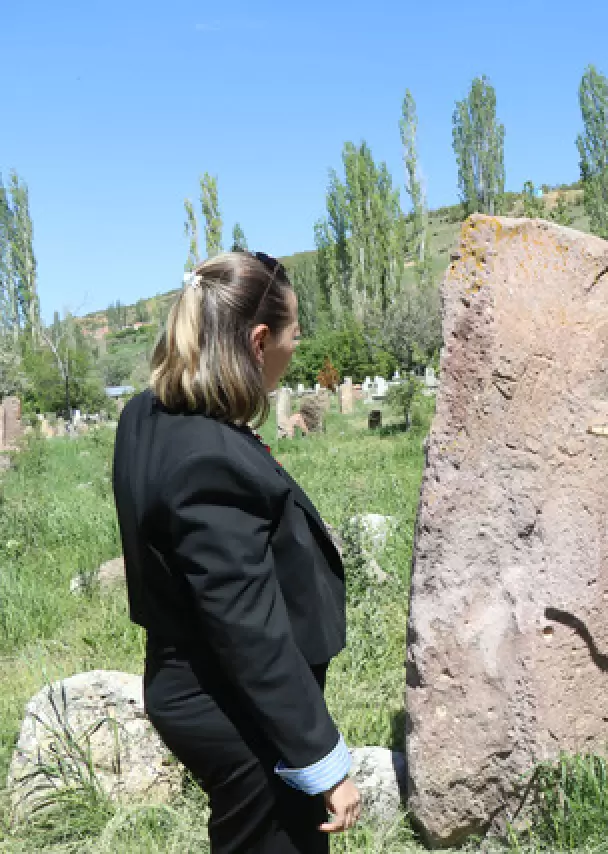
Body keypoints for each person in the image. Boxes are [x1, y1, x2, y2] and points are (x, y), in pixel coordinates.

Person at [112, 251, 360, 853]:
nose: (296, 346)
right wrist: (322, 759)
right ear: (257, 341)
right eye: (293, 333)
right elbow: (249, 629)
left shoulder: (148, 414)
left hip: (199, 681)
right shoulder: (208, 458)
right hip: (237, 705)